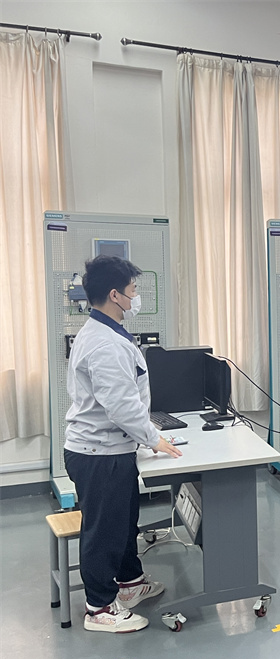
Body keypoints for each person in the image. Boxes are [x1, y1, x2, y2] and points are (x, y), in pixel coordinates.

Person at [64, 255, 182, 633]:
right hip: (99, 454)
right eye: (133, 290)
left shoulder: (107, 333)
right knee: (104, 532)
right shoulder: (104, 343)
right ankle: (99, 608)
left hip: (112, 449)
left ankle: (129, 583)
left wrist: (144, 438)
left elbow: (125, 400)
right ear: (115, 295)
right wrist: (153, 439)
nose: (136, 296)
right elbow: (120, 406)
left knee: (123, 521)